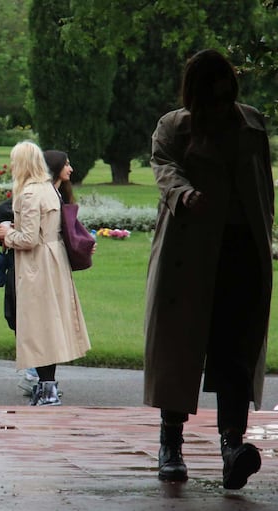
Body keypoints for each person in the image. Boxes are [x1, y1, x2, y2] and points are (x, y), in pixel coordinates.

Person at [144, 49, 273, 489]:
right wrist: (184, 194)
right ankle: (171, 443)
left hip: (240, 254)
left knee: (235, 352)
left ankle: (232, 446)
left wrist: (266, 239)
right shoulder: (175, 127)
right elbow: (164, 168)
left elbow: (263, 190)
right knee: (179, 351)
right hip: (188, 254)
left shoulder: (251, 124)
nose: (219, 98)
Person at [0, 141, 90, 407]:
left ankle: (46, 389)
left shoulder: (27, 193)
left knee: (38, 327)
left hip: (36, 265)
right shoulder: (49, 190)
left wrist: (6, 233)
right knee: (50, 324)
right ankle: (47, 386)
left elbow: (28, 238)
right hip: (54, 260)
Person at [0, 198, 39, 396]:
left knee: (40, 321)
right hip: (18, 267)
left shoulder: (55, 198)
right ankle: (34, 372)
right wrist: (10, 231)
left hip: (44, 265)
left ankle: (37, 374)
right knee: (20, 319)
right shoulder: (6, 208)